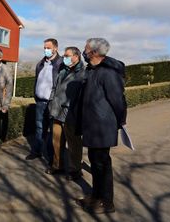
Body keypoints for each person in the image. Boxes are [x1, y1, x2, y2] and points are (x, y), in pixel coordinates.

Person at [75, 38, 127, 214]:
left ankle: (107, 202)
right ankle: (96, 196)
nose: (84, 51)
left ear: (94, 52)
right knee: (95, 163)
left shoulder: (108, 73)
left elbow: (118, 101)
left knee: (102, 164)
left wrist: (120, 121)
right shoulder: (92, 69)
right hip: (92, 125)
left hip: (102, 127)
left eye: (86, 49)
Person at [46, 47, 85, 181]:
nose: (64, 57)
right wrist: (51, 102)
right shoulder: (62, 70)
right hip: (56, 111)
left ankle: (75, 170)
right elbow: (54, 88)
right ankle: (57, 165)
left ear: (76, 57)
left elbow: (82, 96)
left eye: (67, 55)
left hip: (71, 114)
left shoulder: (83, 73)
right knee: (56, 141)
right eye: (64, 55)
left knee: (74, 144)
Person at [26, 38, 63, 161]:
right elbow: (37, 80)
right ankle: (36, 151)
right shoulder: (40, 64)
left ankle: (51, 156)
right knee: (39, 127)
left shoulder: (61, 63)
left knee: (53, 131)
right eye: (44, 48)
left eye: (48, 48)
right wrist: (36, 96)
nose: (46, 50)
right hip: (40, 102)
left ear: (55, 48)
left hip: (53, 103)